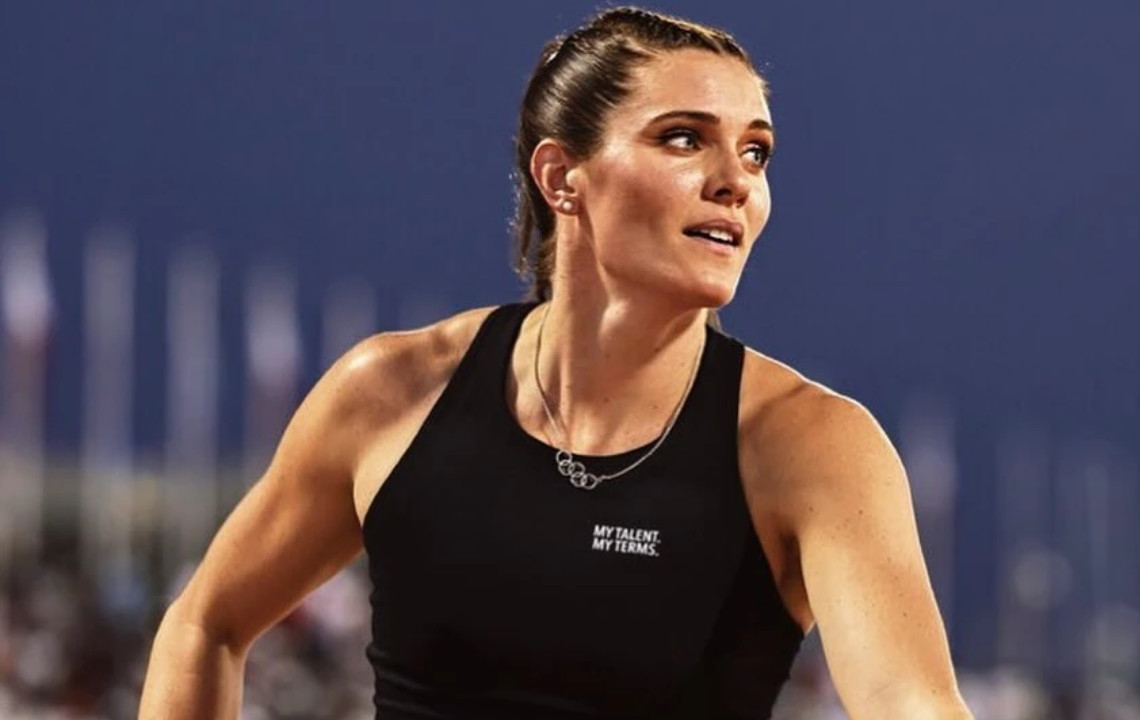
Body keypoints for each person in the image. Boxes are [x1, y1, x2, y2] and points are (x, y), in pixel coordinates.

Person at [138, 7, 973, 719]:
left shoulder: (810, 447)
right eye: (685, 139)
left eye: (756, 153)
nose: (735, 182)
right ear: (562, 175)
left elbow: (913, 703)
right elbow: (204, 625)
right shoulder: (393, 393)